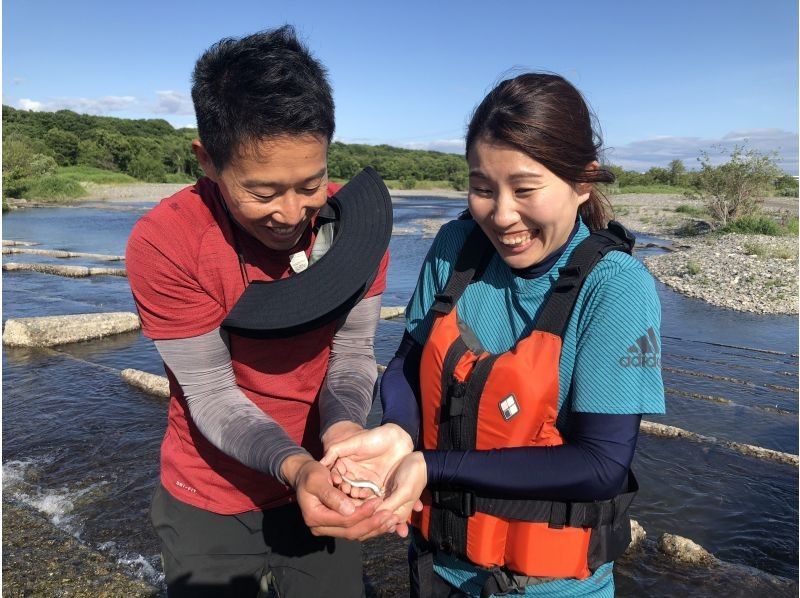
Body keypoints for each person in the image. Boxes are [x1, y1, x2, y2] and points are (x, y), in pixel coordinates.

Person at [322, 73, 665, 597]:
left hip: (548, 586)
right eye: (482, 188)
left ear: (583, 181)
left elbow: (600, 465)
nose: (501, 215)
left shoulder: (616, 288)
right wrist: (399, 434)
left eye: (525, 189)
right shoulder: (456, 246)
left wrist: (429, 466)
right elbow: (409, 365)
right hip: (435, 567)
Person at [126, 26, 397, 597]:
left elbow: (351, 354)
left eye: (311, 183)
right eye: (264, 192)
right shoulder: (167, 243)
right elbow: (211, 394)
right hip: (211, 494)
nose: (292, 213)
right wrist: (296, 466)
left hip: (328, 476)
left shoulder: (357, 228)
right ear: (207, 161)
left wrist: (344, 432)